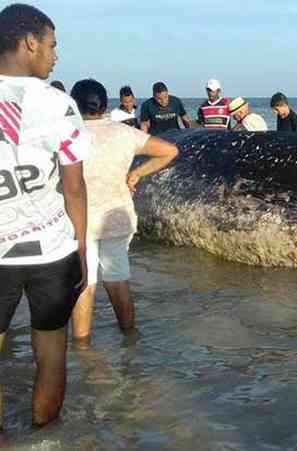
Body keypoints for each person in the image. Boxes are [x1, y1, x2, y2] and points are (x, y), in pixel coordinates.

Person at [0, 4, 90, 427]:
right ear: (29, 42)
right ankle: (44, 438)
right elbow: (74, 188)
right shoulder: (59, 104)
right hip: (53, 250)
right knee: (52, 352)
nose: (55, 56)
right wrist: (83, 250)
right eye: (52, 45)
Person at [69, 79, 177, 340]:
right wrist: (136, 173)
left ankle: (83, 349)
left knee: (85, 284)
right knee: (118, 279)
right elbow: (169, 150)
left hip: (77, 222)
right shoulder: (123, 132)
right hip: (116, 219)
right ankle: (129, 338)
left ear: (73, 105)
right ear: (106, 105)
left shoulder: (67, 134)